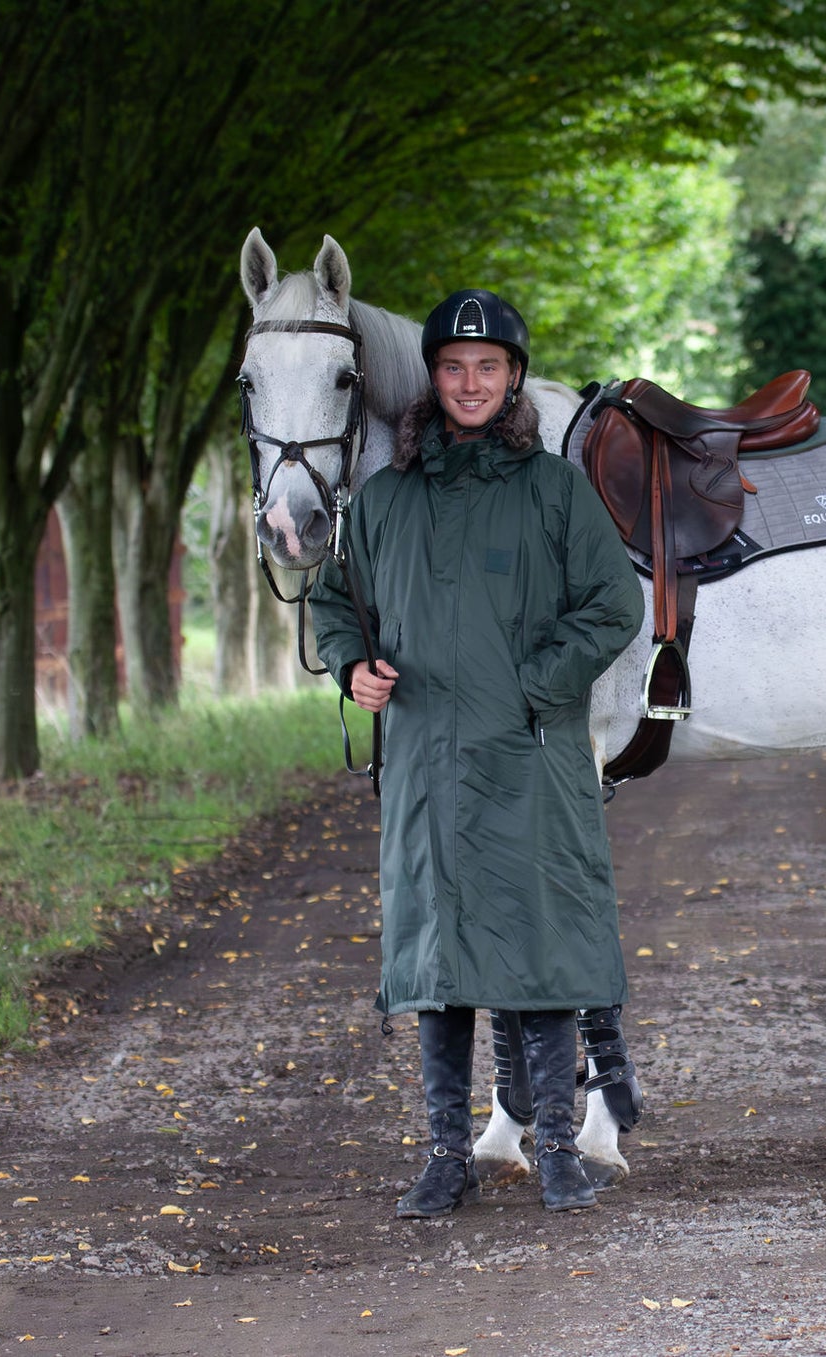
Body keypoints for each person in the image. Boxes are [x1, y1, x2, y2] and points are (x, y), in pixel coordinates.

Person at [309, 289, 643, 1216]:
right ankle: (446, 1155)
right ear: (432, 381)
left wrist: (538, 684)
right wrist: (352, 666)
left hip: (530, 758)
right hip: (423, 763)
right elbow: (335, 605)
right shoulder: (383, 502)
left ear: (514, 379)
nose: (469, 383)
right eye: (453, 368)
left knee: (538, 949)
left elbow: (615, 605)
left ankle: (560, 1153)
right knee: (439, 957)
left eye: (487, 367)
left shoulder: (553, 491)